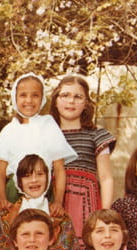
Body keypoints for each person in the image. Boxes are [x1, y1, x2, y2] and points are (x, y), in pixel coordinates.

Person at [0, 73, 77, 220]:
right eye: (23, 95)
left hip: (44, 193)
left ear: (42, 98)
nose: (29, 100)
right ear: (15, 98)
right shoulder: (9, 131)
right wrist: (2, 199)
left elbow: (59, 169)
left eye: (35, 95)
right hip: (14, 196)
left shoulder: (49, 126)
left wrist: (58, 201)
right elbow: (0, 174)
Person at [50, 74, 116, 238]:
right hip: (53, 203)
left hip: (86, 204)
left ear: (86, 103)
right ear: (56, 101)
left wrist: (105, 212)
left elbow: (106, 178)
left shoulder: (97, 135)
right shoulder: (46, 136)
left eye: (78, 97)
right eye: (65, 95)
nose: (71, 101)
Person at [0, 154, 84, 250]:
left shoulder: (61, 218)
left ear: (47, 178)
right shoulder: (4, 217)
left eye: (40, 174)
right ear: (19, 182)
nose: (34, 180)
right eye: (27, 176)